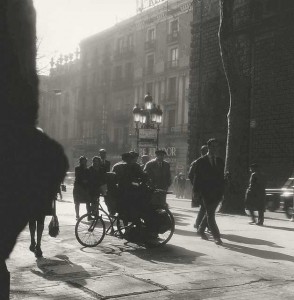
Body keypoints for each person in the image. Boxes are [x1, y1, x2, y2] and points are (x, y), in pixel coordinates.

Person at [193, 138, 225, 245]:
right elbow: (196, 178)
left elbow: (221, 177)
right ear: (209, 147)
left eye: (217, 146)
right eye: (213, 146)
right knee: (211, 215)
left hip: (217, 192)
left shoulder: (220, 161)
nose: (215, 149)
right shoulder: (200, 161)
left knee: (209, 212)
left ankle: (201, 230)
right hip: (205, 192)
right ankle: (217, 237)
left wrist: (225, 186)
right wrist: (196, 193)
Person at [189, 145, 208, 229]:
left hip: (209, 188)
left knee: (207, 207)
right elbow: (190, 175)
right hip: (200, 189)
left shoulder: (210, 161)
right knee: (205, 207)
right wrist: (196, 184)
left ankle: (203, 224)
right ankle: (199, 224)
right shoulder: (197, 162)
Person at [73, 156, 90, 220]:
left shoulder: (87, 169)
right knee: (77, 202)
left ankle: (88, 214)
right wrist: (83, 180)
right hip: (78, 187)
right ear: (80, 162)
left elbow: (89, 177)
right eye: (83, 161)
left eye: (85, 161)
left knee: (88, 201)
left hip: (85, 187)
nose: (84, 162)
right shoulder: (77, 168)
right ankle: (77, 215)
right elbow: (78, 176)